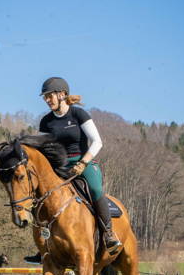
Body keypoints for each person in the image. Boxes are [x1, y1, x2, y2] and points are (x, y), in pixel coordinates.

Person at [24, 77, 122, 264]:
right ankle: (43, 245)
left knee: (95, 189)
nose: (47, 100)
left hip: (82, 162)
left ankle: (109, 234)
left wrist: (83, 162)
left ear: (62, 94)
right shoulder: (46, 121)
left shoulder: (79, 115)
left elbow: (97, 142)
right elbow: (45, 148)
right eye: (45, 97)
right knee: (40, 195)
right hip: (58, 166)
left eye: (50, 96)